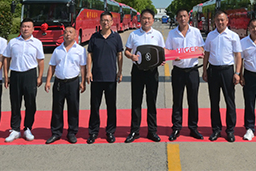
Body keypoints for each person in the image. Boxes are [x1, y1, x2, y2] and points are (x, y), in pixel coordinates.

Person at [124, 9, 165, 143]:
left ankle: (152, 131)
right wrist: (132, 56)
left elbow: (162, 52)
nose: (146, 21)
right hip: (138, 71)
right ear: (140, 20)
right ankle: (134, 131)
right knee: (136, 101)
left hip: (152, 72)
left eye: (149, 18)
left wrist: (162, 60)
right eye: (144, 18)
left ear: (153, 20)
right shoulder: (134, 34)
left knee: (151, 102)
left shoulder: (158, 35)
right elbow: (127, 51)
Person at [202, 10, 242, 142]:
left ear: (227, 21)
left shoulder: (233, 36)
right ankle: (216, 129)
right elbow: (206, 53)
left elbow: (238, 55)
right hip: (213, 70)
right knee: (214, 101)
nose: (220, 22)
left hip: (227, 71)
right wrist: (205, 70)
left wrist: (237, 73)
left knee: (230, 101)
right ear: (214, 21)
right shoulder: (210, 36)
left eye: (222, 20)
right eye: (218, 20)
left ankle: (230, 130)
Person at [2, 18, 45, 143]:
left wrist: (39, 76)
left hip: (30, 74)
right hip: (15, 74)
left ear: (32, 29)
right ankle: (15, 129)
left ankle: (28, 128)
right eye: (24, 26)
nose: (26, 28)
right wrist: (6, 75)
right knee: (15, 102)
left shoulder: (37, 43)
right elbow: (6, 58)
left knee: (30, 103)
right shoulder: (13, 42)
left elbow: (41, 61)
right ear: (20, 28)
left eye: (28, 26)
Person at [165, 8, 204, 141]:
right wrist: (172, 56)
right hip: (178, 71)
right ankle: (176, 127)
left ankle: (193, 127)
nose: (182, 18)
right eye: (180, 16)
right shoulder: (172, 34)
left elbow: (201, 47)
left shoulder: (196, 32)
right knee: (177, 100)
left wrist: (199, 53)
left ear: (188, 18)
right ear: (177, 19)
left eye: (184, 16)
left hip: (192, 70)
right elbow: (167, 50)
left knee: (193, 100)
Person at [45, 26, 87, 144]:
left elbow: (83, 67)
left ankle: (72, 132)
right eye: (66, 32)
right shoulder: (57, 50)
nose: (67, 34)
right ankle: (56, 132)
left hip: (73, 82)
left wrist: (83, 82)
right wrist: (48, 81)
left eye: (70, 32)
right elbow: (52, 66)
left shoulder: (80, 50)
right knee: (57, 108)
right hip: (59, 82)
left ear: (75, 35)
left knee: (73, 108)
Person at [86, 11, 123, 144]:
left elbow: (119, 55)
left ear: (112, 22)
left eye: (108, 20)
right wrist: (88, 72)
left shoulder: (116, 37)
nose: (105, 22)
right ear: (100, 22)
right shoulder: (94, 37)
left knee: (111, 106)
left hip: (111, 77)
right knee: (94, 106)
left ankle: (110, 131)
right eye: (103, 20)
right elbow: (89, 54)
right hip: (96, 77)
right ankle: (93, 132)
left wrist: (120, 71)